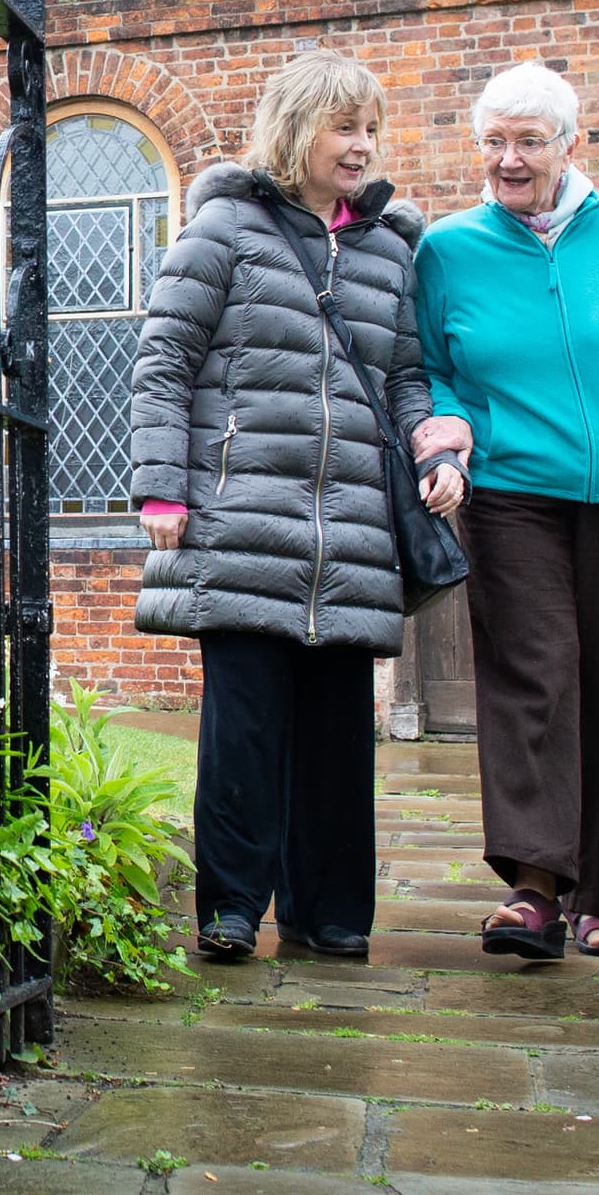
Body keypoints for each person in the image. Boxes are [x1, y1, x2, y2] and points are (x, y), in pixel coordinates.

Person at [128, 52, 466, 965]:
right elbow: (163, 366)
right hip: (241, 514)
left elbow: (402, 378)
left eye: (369, 129)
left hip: (350, 526)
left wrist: (432, 448)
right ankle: (232, 906)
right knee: (243, 727)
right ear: (296, 129)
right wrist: (163, 486)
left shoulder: (392, 247)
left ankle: (331, 912)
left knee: (334, 730)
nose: (361, 146)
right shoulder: (224, 230)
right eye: (343, 127)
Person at [407, 63, 599, 962]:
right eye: (495, 142)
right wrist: (452, 441)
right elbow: (435, 368)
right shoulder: (451, 251)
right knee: (531, 679)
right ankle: (535, 889)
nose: (510, 160)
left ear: (569, 146)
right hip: (513, 498)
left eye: (529, 141)